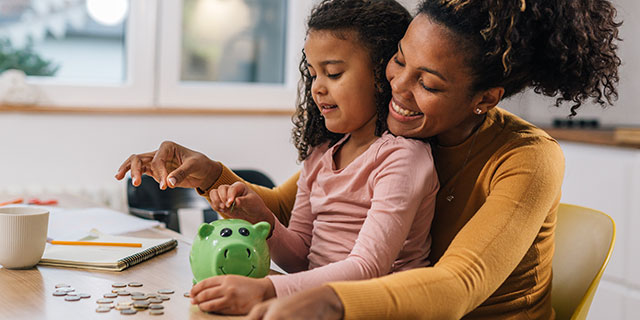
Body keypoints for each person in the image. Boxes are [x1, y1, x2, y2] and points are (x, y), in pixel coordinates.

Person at [116, 0, 622, 318]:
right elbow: (294, 213)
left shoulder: (527, 159)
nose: (396, 86)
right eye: (399, 60)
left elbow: (457, 285)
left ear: (485, 99)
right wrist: (208, 175)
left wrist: (308, 296)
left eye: (427, 83)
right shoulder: (386, 139)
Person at [118, 0, 438, 315]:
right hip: (317, 304)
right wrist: (260, 219)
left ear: (383, 74)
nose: (318, 89)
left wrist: (268, 290)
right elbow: (301, 258)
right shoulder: (321, 156)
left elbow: (367, 268)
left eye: (334, 74)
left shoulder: (402, 158)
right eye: (313, 74)